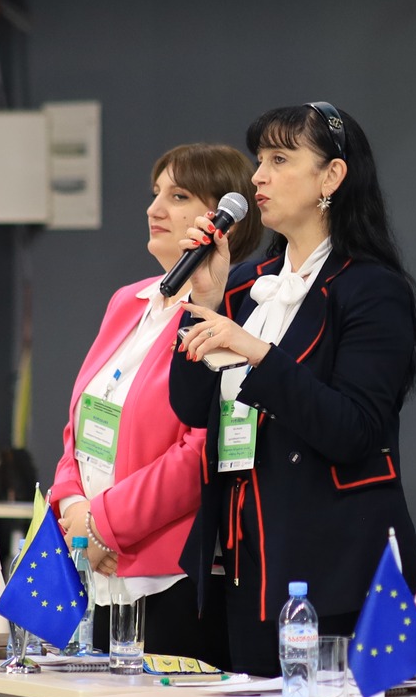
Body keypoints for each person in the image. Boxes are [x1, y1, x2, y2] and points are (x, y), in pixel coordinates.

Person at [168, 101, 416, 676]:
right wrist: (203, 301)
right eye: (259, 160)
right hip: (248, 562)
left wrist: (260, 354)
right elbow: (190, 407)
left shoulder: (372, 289)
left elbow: (355, 430)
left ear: (332, 176)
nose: (258, 177)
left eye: (280, 160)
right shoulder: (247, 283)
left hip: (336, 571)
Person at [47, 143, 261, 669]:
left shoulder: (234, 312)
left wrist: (104, 525)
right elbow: (79, 426)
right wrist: (74, 510)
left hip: (166, 577)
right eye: (156, 193)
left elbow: (201, 451)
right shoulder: (129, 300)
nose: (155, 208)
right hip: (91, 564)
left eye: (179, 196)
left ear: (222, 221)